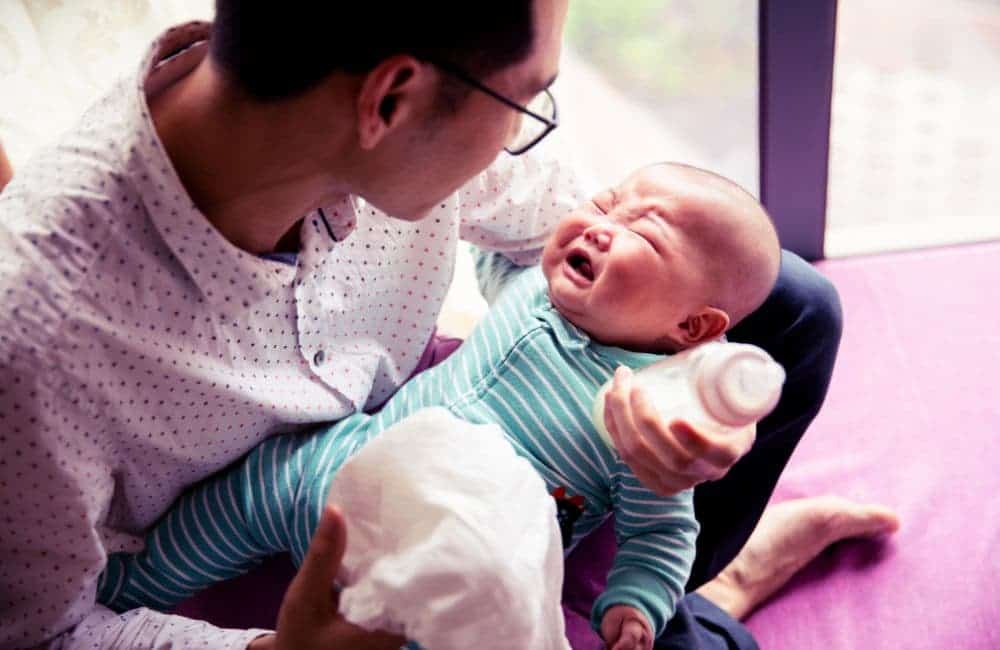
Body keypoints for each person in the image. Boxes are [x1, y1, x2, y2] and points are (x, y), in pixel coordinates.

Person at [0, 2, 889, 649]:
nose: (527, 136)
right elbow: (45, 634)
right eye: (527, 100)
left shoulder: (360, 107)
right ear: (392, 102)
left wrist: (685, 381)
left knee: (796, 309)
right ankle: (713, 608)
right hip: (259, 541)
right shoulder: (40, 336)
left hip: (471, 444)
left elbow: (569, 233)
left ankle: (685, 586)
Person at [96, 162, 784, 649]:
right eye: (607, 204)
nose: (601, 226)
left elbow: (662, 532)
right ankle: (131, 585)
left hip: (446, 570)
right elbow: (504, 248)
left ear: (691, 329)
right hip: (330, 471)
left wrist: (635, 605)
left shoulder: (646, 411)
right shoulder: (534, 287)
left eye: (647, 235)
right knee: (245, 496)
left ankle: (720, 598)